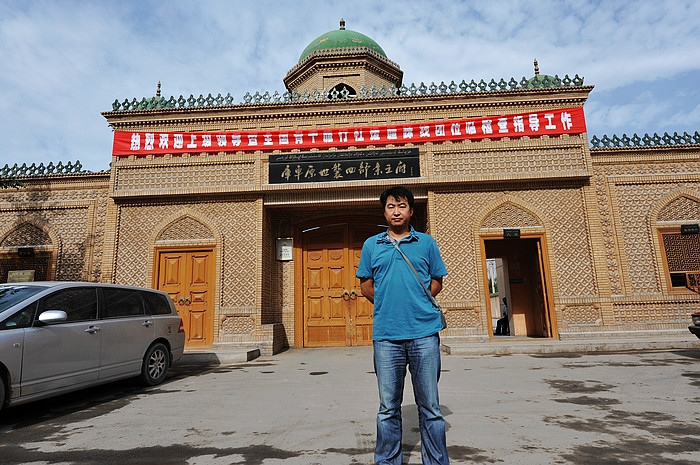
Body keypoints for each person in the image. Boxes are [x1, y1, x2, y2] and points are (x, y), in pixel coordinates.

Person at [356, 186, 449, 465]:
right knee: (387, 408)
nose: (396, 211)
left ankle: (435, 461)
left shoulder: (426, 243)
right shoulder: (372, 245)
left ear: (411, 211)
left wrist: (417, 301)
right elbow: (365, 286)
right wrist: (389, 301)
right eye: (390, 207)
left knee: (430, 407)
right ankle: (387, 461)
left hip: (424, 334)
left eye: (402, 206)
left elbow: (437, 280)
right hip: (386, 336)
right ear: (384, 212)